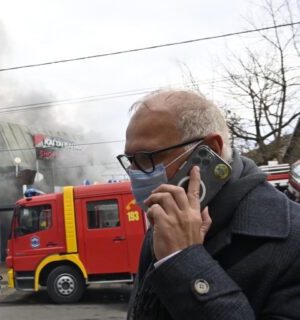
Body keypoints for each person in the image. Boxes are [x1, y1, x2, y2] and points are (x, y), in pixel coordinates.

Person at [118, 89, 300, 319]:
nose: (135, 174)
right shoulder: (165, 221)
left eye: (146, 157)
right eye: (131, 161)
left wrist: (183, 261)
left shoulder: (293, 240)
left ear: (210, 151)